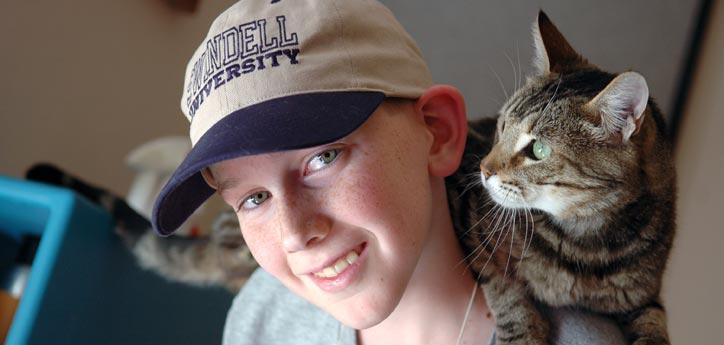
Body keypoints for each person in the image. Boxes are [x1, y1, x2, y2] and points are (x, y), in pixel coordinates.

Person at [151, 1, 626, 344]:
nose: (295, 234)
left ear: (437, 132)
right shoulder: (262, 319)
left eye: (323, 158)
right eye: (253, 198)